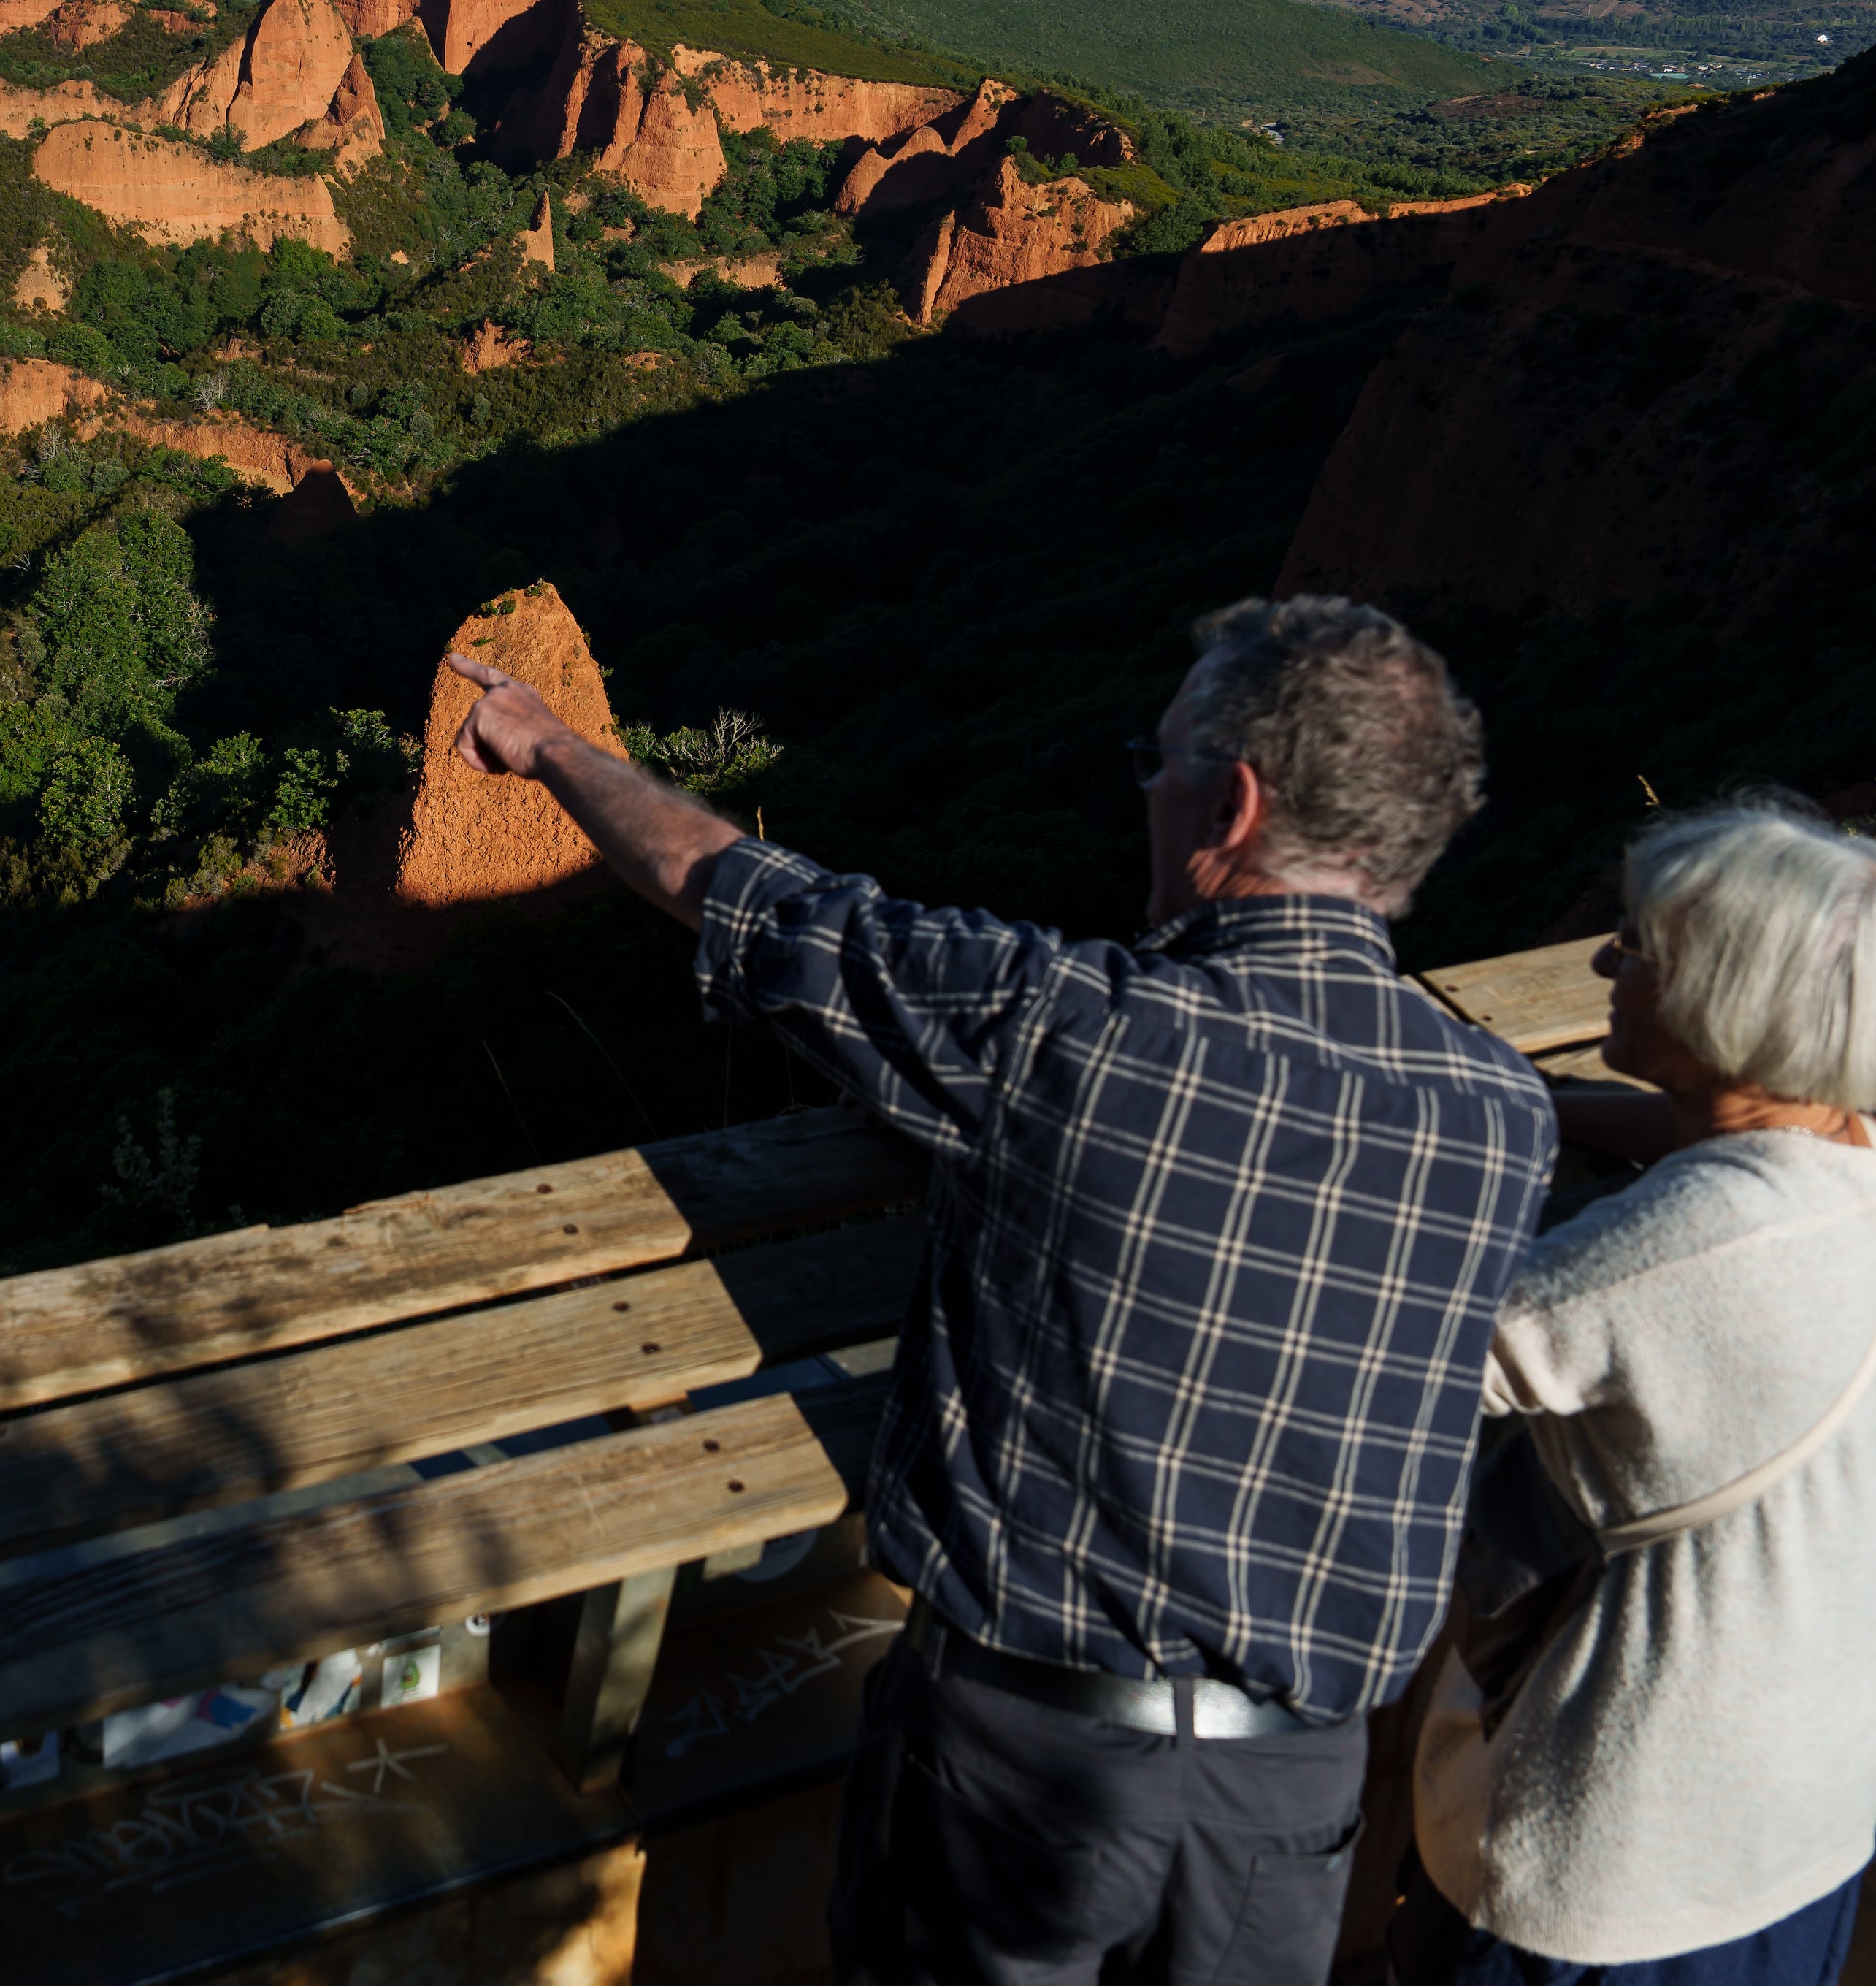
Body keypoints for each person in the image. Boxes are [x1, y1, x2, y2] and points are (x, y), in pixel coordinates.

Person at [449, 595, 1555, 1986]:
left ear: (1234, 800)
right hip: (1297, 1799)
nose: (1146, 794)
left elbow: (745, 890)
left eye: (1158, 764)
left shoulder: (1070, 1031)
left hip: (1024, 1772)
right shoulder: (1501, 1108)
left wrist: (547, 743)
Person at [1394, 802, 1876, 1986]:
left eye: (1639, 944)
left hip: (1621, 1853)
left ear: (1734, 994)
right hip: (1808, 1797)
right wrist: (1551, 1104)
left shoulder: (1682, 1252)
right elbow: (1731, 1154)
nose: (1606, 962)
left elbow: (1392, 1349)